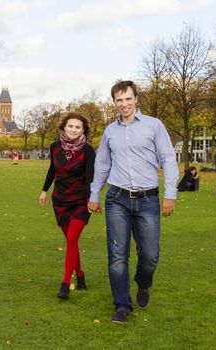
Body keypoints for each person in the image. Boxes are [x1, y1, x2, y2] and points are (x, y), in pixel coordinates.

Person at [87, 80, 178, 323]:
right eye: (119, 100)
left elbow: (168, 159)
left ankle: (144, 282)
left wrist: (170, 193)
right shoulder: (110, 131)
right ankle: (122, 305)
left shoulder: (154, 126)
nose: (124, 104)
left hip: (148, 199)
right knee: (117, 255)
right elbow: (102, 164)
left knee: (150, 256)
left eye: (128, 98)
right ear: (114, 102)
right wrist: (94, 195)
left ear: (136, 98)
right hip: (117, 199)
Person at [39, 112, 95, 300]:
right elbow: (52, 170)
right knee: (72, 241)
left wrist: (91, 199)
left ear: (83, 130)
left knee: (71, 239)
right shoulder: (54, 147)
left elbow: (90, 177)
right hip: (60, 201)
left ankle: (65, 283)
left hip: (81, 201)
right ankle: (80, 276)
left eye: (78, 127)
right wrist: (44, 190)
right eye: (71, 126)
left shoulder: (88, 151)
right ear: (64, 127)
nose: (73, 130)